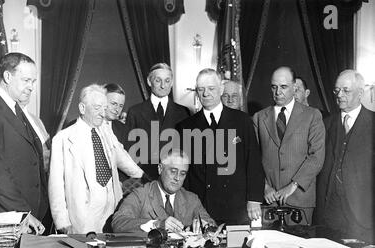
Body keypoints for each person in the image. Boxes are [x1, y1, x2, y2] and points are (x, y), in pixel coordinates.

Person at [48, 84, 144, 234]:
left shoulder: (106, 131)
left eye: (104, 108)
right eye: (97, 108)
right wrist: (62, 223)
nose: (102, 113)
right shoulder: (63, 139)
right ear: (82, 108)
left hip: (112, 212)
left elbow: (124, 159)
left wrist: (144, 178)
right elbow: (56, 186)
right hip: (83, 217)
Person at [176, 68, 265, 225]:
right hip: (200, 206)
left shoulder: (242, 121)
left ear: (221, 89)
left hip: (235, 206)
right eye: (201, 89)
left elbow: (254, 163)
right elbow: (186, 171)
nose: (206, 94)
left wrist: (254, 199)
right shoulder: (185, 126)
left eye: (211, 89)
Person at [253, 66, 325, 225]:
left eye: (284, 87)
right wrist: (264, 186)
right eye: (274, 87)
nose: (278, 92)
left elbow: (317, 156)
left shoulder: (312, 116)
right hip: (268, 202)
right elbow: (253, 159)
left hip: (300, 201)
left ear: (294, 87)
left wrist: (293, 186)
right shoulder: (259, 118)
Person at [0, 52, 47, 234]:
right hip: (9, 218)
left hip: (28, 217)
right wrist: (24, 213)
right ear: (7, 76)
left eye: (33, 82)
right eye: (26, 80)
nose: (31, 87)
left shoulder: (15, 109)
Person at [315, 70, 375, 242]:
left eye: (346, 90)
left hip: (362, 214)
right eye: (336, 90)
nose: (339, 95)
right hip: (330, 211)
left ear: (360, 93)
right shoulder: (326, 124)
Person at [112, 149, 216, 233]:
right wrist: (156, 224)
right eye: (173, 171)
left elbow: (212, 224)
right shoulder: (141, 195)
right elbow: (118, 223)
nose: (177, 178)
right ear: (160, 169)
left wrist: (206, 225)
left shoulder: (191, 199)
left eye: (183, 173)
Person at [125, 63, 190, 180]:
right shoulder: (135, 112)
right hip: (144, 180)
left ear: (171, 83)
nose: (163, 85)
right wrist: (142, 176)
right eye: (158, 80)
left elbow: (187, 150)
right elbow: (129, 151)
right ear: (149, 82)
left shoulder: (183, 112)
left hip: (174, 179)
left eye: (167, 80)